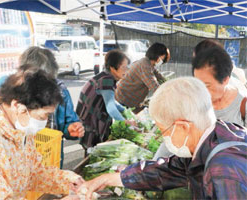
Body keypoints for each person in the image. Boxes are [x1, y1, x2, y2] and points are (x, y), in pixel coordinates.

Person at [81, 77, 247, 200]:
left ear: (183, 127)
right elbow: (164, 171)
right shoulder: (211, 139)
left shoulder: (224, 171)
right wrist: (106, 179)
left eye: (163, 130)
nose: (163, 138)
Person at [0, 67, 83, 199]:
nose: (45, 121)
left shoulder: (22, 129)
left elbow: (34, 173)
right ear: (18, 107)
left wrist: (70, 181)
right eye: (44, 115)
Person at [0, 46, 85, 168]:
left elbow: (68, 123)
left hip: (50, 158)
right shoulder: (3, 88)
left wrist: (70, 129)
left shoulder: (61, 92)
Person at [76, 49, 132, 150]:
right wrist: (126, 122)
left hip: (89, 121)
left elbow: (110, 100)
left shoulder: (105, 76)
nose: (126, 71)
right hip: (90, 124)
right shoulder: (106, 80)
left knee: (94, 153)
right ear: (112, 68)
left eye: (127, 67)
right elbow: (111, 108)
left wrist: (125, 111)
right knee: (92, 155)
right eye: (123, 67)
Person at [193, 46, 247, 127]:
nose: (200, 90)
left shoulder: (242, 104)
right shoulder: (194, 103)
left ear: (225, 80)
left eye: (207, 85)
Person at [115, 42, 170, 113]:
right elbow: (154, 86)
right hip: (124, 100)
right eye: (163, 58)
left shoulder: (148, 64)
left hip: (128, 99)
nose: (162, 61)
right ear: (157, 55)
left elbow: (159, 76)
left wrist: (169, 84)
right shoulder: (145, 65)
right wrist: (169, 96)